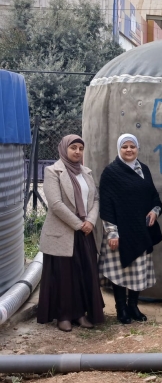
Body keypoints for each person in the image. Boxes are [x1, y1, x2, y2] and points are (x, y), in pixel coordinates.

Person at [37, 135, 104, 332]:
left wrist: (90, 221)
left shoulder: (86, 172)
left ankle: (81, 314)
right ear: (64, 149)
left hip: (85, 232)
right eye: (73, 147)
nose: (77, 151)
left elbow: (95, 199)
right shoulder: (53, 171)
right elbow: (55, 204)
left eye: (80, 148)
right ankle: (63, 316)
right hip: (63, 233)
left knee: (83, 273)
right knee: (64, 276)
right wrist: (79, 224)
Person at [98, 134, 162, 324]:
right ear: (119, 149)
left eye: (132, 146)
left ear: (137, 148)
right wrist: (112, 232)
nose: (129, 150)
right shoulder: (111, 172)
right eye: (124, 146)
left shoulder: (144, 169)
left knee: (137, 271)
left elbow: (153, 196)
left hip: (140, 230)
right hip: (119, 232)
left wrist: (155, 211)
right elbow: (106, 205)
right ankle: (121, 308)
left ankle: (133, 306)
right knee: (120, 271)